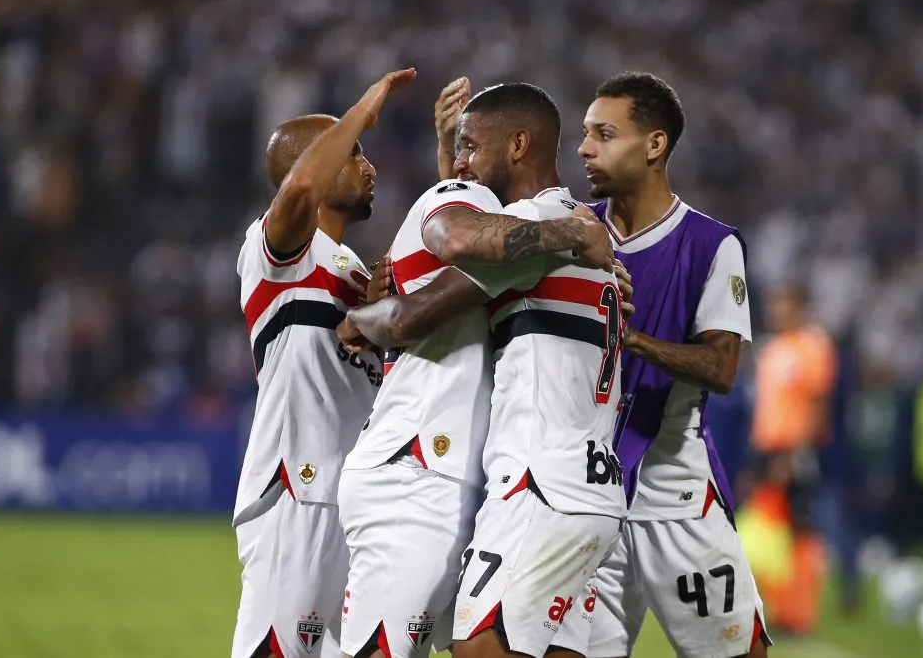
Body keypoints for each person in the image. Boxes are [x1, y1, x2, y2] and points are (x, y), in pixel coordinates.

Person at [338, 82, 628, 658]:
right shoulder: (591, 233)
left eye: (472, 146)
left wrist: (355, 321)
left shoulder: (528, 233)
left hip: (537, 484)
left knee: (476, 646)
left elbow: (417, 305)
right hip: (594, 491)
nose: (462, 161)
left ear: (518, 145)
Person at [553, 72, 770, 658]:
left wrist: (634, 340)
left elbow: (722, 369)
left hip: (673, 494)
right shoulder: (572, 233)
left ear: (654, 145)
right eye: (584, 134)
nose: (584, 148)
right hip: (583, 496)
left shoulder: (710, 245)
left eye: (604, 133)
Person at [231, 68, 415, 658]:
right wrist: (359, 111)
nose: (369, 166)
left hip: (354, 500)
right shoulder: (277, 252)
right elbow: (300, 194)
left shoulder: (355, 273)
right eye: (354, 154)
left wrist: (374, 321)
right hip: (296, 491)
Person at [746, 285, 838, 635]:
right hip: (767, 449)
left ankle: (799, 615)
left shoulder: (812, 346)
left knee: (800, 532)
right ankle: (774, 607)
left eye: (783, 305)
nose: (776, 312)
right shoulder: (772, 348)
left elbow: (818, 403)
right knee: (769, 531)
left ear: (800, 308)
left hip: (793, 450)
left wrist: (798, 452)